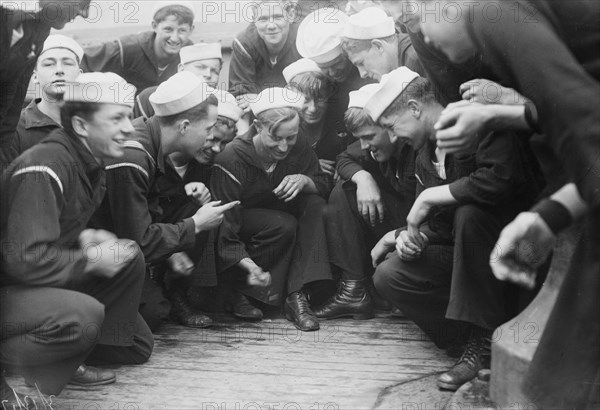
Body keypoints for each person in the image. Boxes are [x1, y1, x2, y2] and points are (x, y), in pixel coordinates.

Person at [415, 1, 600, 407]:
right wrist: (496, 115)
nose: (422, 34)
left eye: (423, 9)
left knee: (564, 373)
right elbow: (573, 111)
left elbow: (585, 127)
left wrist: (553, 213)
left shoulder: (491, 13)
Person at [367, 68, 543, 391]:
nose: (393, 138)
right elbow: (439, 228)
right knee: (389, 274)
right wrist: (411, 239)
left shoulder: (475, 120)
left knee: (470, 213)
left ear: (415, 109)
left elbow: (502, 178)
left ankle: (482, 345)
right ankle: (470, 339)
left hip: (519, 251)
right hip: (473, 263)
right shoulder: (423, 157)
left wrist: (432, 196)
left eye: (392, 127)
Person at [0, 72, 153, 404]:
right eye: (117, 118)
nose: (129, 127)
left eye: (129, 116)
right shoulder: (46, 166)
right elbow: (23, 260)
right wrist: (90, 260)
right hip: (10, 287)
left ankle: (72, 356)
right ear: (82, 126)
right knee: (81, 317)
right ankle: (27, 386)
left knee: (134, 336)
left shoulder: (87, 160)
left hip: (26, 285)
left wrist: (83, 237)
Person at [90, 71, 239, 330]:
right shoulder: (133, 156)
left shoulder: (148, 140)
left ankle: (165, 288)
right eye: (207, 130)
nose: (209, 141)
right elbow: (138, 241)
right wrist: (195, 225)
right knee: (152, 318)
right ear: (183, 126)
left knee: (197, 206)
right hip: (95, 256)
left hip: (122, 244)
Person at [210, 87, 332, 331]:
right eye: (275, 137)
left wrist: (305, 180)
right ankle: (240, 291)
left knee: (316, 205)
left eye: (291, 137)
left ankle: (297, 295)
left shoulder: (299, 145)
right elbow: (225, 228)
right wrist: (250, 267)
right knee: (282, 224)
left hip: (281, 219)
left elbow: (323, 183)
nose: (284, 146)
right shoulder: (232, 158)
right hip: (243, 228)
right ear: (257, 126)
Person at [316, 83, 417, 320]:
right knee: (345, 188)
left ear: (389, 127)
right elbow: (345, 157)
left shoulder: (416, 147)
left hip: (422, 233)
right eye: (359, 139)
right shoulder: (372, 146)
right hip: (400, 226)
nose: (364, 146)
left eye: (369, 137)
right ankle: (353, 289)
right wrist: (363, 177)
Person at [0, 0, 91, 167]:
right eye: (83, 3)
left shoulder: (39, 29)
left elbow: (9, 110)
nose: (85, 14)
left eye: (68, 63)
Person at [296, 8, 373, 145]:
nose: (332, 73)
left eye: (337, 64)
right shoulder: (320, 83)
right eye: (324, 68)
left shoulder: (369, 70)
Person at [82, 2, 195, 95]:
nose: (175, 38)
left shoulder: (192, 58)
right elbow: (81, 60)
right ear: (154, 26)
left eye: (182, 30)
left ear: (191, 30)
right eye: (168, 29)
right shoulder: (127, 48)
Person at [13, 34, 83, 156]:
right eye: (49, 64)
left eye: (68, 63)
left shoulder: (93, 122)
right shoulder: (14, 128)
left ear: (80, 74)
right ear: (34, 76)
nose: (59, 70)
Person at [228, 0, 301, 111]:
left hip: (297, 114)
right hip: (258, 117)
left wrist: (260, 99)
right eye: (263, 19)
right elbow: (241, 99)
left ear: (291, 15)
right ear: (254, 19)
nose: (271, 26)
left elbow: (308, 93)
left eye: (277, 17)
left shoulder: (303, 39)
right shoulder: (245, 43)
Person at [134, 42, 225, 119]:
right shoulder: (149, 97)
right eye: (201, 67)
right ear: (181, 69)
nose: (208, 74)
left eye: (215, 71)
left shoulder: (223, 104)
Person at [283, 58, 340, 179]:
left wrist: (344, 167)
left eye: (320, 99)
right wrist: (308, 164)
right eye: (305, 100)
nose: (313, 108)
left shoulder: (339, 121)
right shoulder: (282, 125)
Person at [341, 6, 425, 81]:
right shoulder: (405, 62)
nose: (362, 74)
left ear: (378, 46)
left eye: (361, 63)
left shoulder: (416, 61)